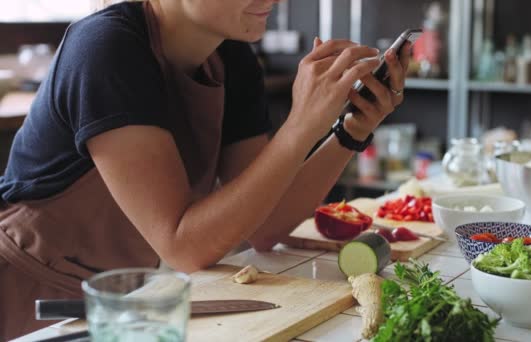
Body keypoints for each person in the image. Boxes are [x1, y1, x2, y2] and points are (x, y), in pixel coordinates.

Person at [0, 0, 411, 339]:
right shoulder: (106, 49)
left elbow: (264, 224)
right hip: (30, 298)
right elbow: (183, 246)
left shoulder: (232, 58)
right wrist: (301, 125)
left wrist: (350, 131)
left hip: (120, 298)